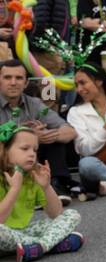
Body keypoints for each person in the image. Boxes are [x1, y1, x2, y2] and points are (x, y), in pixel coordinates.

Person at [0, 121, 83, 262]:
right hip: (3, 234)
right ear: (5, 151)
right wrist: (14, 189)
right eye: (25, 148)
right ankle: (51, 245)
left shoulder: (31, 176)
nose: (32, 154)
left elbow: (56, 213)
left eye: (35, 150)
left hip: (22, 232)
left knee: (72, 215)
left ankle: (39, 247)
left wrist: (46, 187)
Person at [0, 59, 78, 200]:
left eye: (18, 78)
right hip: (3, 158)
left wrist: (49, 135)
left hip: (27, 160)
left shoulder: (34, 104)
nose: (13, 82)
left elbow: (70, 131)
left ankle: (56, 184)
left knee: (53, 138)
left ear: (26, 83)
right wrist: (28, 135)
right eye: (7, 77)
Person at [67, 63, 106, 198]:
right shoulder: (75, 112)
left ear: (99, 81)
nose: (79, 89)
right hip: (98, 169)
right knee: (86, 164)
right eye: (76, 85)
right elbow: (84, 150)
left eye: (83, 83)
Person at [32, 0, 78, 75]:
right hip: (48, 55)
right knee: (49, 93)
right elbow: (40, 23)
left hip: (60, 51)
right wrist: (52, 49)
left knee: (62, 93)